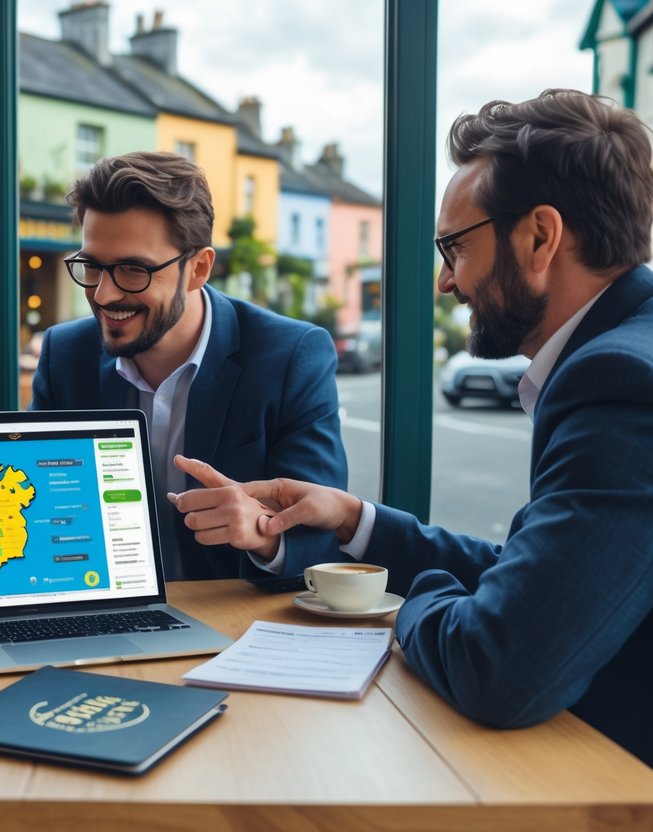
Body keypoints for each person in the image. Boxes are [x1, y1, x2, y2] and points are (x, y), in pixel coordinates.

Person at [171, 89, 653, 767]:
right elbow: (541, 579)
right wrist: (352, 519)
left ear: (539, 237)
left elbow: (500, 666)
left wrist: (408, 601)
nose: (444, 282)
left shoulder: (619, 383)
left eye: (453, 247)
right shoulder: (628, 352)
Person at [30, 150, 348, 582]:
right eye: (91, 266)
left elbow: (323, 536)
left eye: (132, 270)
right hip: (98, 621)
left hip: (236, 627)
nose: (103, 294)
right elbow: (36, 509)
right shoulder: (65, 355)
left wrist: (265, 535)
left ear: (198, 268)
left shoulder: (291, 356)